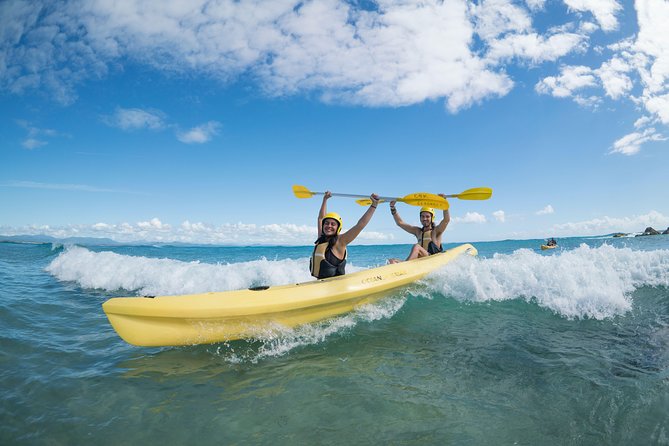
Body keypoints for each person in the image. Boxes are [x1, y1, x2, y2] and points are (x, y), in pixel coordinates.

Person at [310, 191, 380, 279]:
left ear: (338, 227)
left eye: (333, 224)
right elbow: (321, 218)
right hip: (320, 283)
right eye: (326, 223)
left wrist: (374, 205)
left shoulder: (341, 241)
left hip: (336, 286)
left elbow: (360, 225)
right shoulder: (321, 238)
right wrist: (325, 199)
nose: (329, 226)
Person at [388, 196, 450, 263]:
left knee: (417, 247)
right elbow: (400, 223)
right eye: (422, 216)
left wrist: (444, 202)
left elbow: (446, 220)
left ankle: (405, 266)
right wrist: (392, 208)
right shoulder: (418, 231)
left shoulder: (436, 231)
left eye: (427, 216)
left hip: (432, 261)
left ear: (432, 218)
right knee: (392, 261)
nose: (424, 219)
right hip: (420, 262)